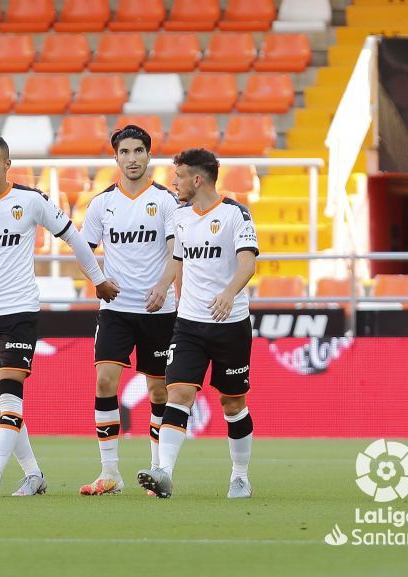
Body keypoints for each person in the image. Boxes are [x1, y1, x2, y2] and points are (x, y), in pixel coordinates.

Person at [0, 134, 120, 497]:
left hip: (20, 312)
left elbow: (74, 238)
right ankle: (33, 474)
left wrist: (97, 279)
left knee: (11, 395)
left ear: (7, 165)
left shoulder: (31, 201)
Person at [137, 148, 259, 499]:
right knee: (178, 393)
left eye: (178, 176)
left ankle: (239, 476)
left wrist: (228, 293)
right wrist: (163, 286)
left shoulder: (236, 214)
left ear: (196, 179)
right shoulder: (181, 217)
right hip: (189, 324)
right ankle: (163, 473)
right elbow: (178, 261)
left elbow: (248, 264)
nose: (173, 182)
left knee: (233, 403)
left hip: (230, 323)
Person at [78, 125, 180, 496]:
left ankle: (158, 472)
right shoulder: (102, 203)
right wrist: (98, 280)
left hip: (158, 310)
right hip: (116, 309)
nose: (132, 158)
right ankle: (110, 473)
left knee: (157, 390)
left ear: (149, 155)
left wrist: (163, 285)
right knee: (105, 380)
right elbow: (84, 249)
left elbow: (176, 252)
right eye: (125, 152)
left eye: (139, 151)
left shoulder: (167, 201)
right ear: (116, 157)